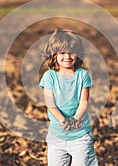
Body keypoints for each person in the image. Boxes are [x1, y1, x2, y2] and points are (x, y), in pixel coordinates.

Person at [39, 28, 98, 166]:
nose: (67, 56)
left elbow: (84, 102)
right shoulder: (49, 76)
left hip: (80, 136)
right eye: (62, 52)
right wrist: (63, 121)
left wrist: (76, 119)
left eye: (71, 52)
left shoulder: (82, 75)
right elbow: (51, 104)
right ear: (54, 55)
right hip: (56, 137)